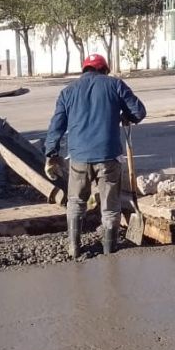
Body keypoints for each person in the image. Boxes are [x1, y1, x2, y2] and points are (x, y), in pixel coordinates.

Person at [44, 53, 146, 256]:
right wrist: (125, 116)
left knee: (76, 202)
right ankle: (110, 249)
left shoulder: (68, 91)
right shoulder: (114, 84)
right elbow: (139, 112)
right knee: (110, 208)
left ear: (85, 70)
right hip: (108, 157)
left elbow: (56, 126)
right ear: (104, 69)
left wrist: (51, 153)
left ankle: (74, 247)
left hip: (79, 158)